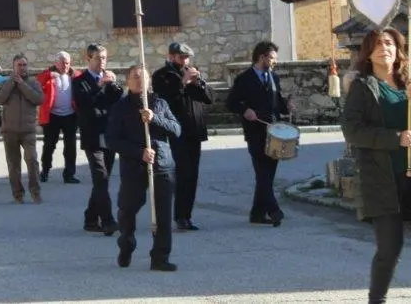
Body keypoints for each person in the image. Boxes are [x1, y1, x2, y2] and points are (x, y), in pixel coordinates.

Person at [342, 28, 411, 304]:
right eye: (377, 44)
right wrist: (395, 139)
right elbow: (353, 131)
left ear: (399, 50)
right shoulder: (363, 88)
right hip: (383, 180)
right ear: (368, 53)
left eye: (389, 43)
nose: (384, 48)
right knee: (389, 249)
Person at [106, 65, 181, 272]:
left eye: (143, 77)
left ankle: (160, 257)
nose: (140, 81)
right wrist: (139, 152)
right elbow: (112, 140)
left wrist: (154, 118)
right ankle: (127, 243)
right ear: (128, 81)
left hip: (162, 166)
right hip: (134, 167)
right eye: (135, 77)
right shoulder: (120, 107)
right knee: (127, 209)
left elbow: (177, 130)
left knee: (163, 215)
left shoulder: (159, 103)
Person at [226, 40, 291, 226]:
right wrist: (245, 110)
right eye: (271, 58)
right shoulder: (244, 78)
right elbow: (231, 103)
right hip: (255, 133)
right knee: (262, 173)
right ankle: (274, 210)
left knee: (268, 175)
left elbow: (277, 102)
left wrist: (288, 107)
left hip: (274, 133)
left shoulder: (273, 77)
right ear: (261, 57)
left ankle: (256, 214)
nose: (274, 62)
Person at [151, 42, 213, 231]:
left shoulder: (191, 72)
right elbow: (165, 100)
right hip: (176, 132)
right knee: (180, 175)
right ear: (171, 56)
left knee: (191, 176)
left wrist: (199, 83)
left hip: (195, 131)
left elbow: (209, 98)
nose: (184, 61)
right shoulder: (162, 76)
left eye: (186, 57)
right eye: (181, 57)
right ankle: (177, 216)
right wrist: (183, 82)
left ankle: (186, 215)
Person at [73, 43, 123, 235]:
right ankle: (108, 220)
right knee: (100, 178)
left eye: (104, 58)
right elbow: (84, 104)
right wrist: (99, 86)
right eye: (98, 58)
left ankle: (90, 218)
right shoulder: (80, 81)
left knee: (103, 180)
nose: (102, 62)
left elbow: (117, 100)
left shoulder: (109, 78)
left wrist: (113, 84)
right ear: (88, 59)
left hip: (109, 134)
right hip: (92, 135)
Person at [0, 54, 44, 203]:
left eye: (24, 65)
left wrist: (22, 84)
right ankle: (18, 194)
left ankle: (35, 192)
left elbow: (38, 99)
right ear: (14, 66)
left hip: (28, 130)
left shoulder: (33, 82)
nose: (22, 68)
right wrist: (12, 82)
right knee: (13, 165)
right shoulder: (6, 82)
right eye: (19, 65)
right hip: (10, 131)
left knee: (32, 160)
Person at [37, 51, 79, 184]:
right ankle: (45, 172)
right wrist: (49, 75)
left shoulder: (75, 75)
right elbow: (37, 83)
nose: (65, 66)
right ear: (56, 63)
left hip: (70, 115)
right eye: (62, 63)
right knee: (49, 146)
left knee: (70, 147)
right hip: (52, 116)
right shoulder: (48, 74)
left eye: (67, 63)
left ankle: (69, 174)